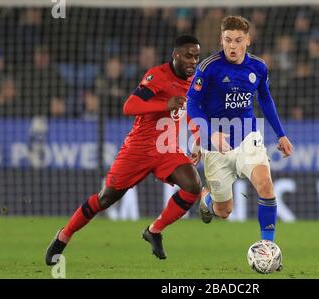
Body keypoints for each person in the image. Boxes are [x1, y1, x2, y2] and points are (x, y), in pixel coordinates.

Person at [45, 35, 202, 264]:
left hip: (167, 147)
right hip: (138, 148)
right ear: (176, 54)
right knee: (105, 198)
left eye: (197, 57)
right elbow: (129, 106)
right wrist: (165, 104)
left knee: (193, 186)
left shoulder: (194, 81)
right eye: (189, 56)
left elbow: (192, 111)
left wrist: (196, 140)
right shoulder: (157, 75)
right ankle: (63, 236)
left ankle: (154, 230)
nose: (193, 61)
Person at [186, 16, 293, 245]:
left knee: (265, 184)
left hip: (248, 136)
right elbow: (192, 104)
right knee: (224, 211)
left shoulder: (258, 67)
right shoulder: (208, 68)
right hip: (216, 142)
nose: (232, 46)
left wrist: (281, 134)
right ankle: (207, 200)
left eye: (237, 40)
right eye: (227, 40)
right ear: (221, 40)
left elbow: (265, 99)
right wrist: (207, 135)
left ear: (248, 40)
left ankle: (267, 246)